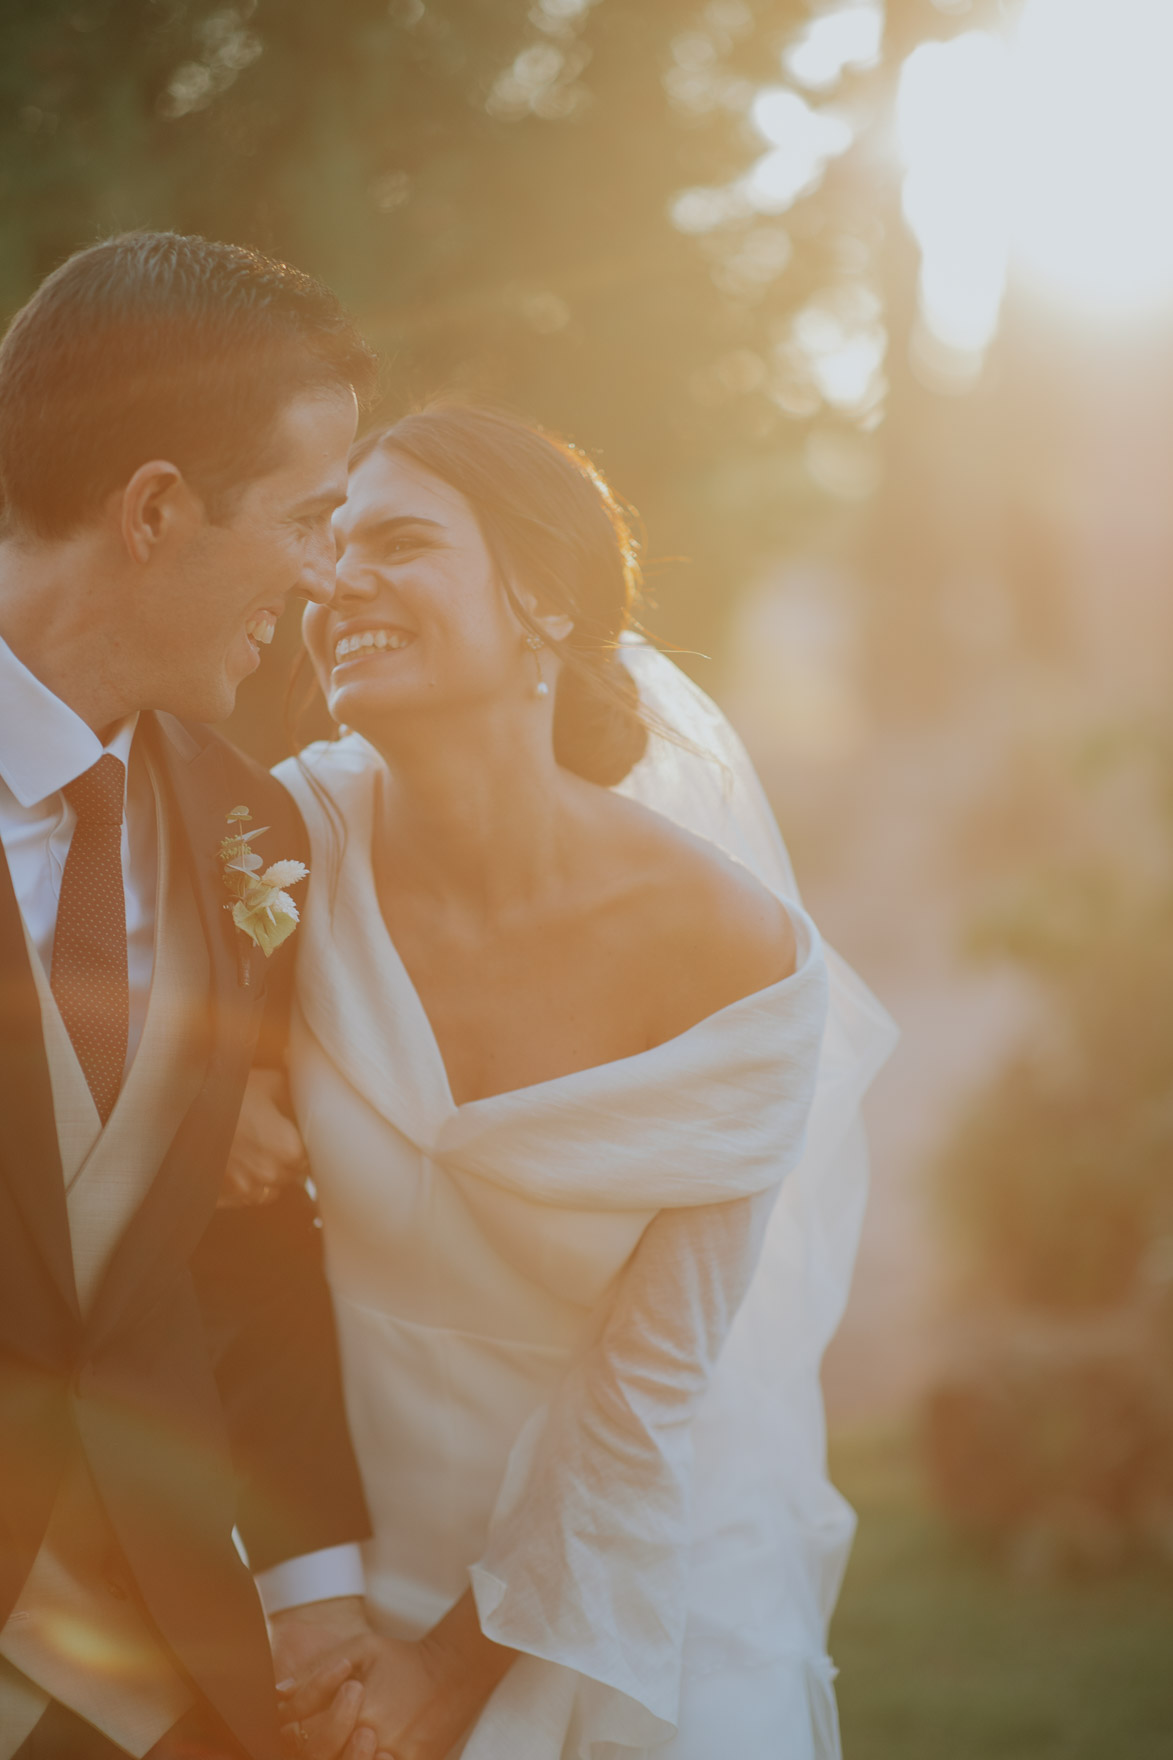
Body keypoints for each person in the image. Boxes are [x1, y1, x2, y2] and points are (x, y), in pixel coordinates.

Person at [249, 405, 897, 1759]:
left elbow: (648, 1390)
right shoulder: (284, 845)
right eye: (331, 542)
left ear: (542, 602)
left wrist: (440, 1682)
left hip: (629, 1584)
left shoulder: (736, 957)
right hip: (359, 1557)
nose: (337, 580)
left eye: (401, 542)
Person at [0, 231, 393, 1760]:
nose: (320, 578)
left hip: (160, 1678)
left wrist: (308, 1583)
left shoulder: (254, 832)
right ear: (157, 508)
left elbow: (240, 1249)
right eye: (309, 519)